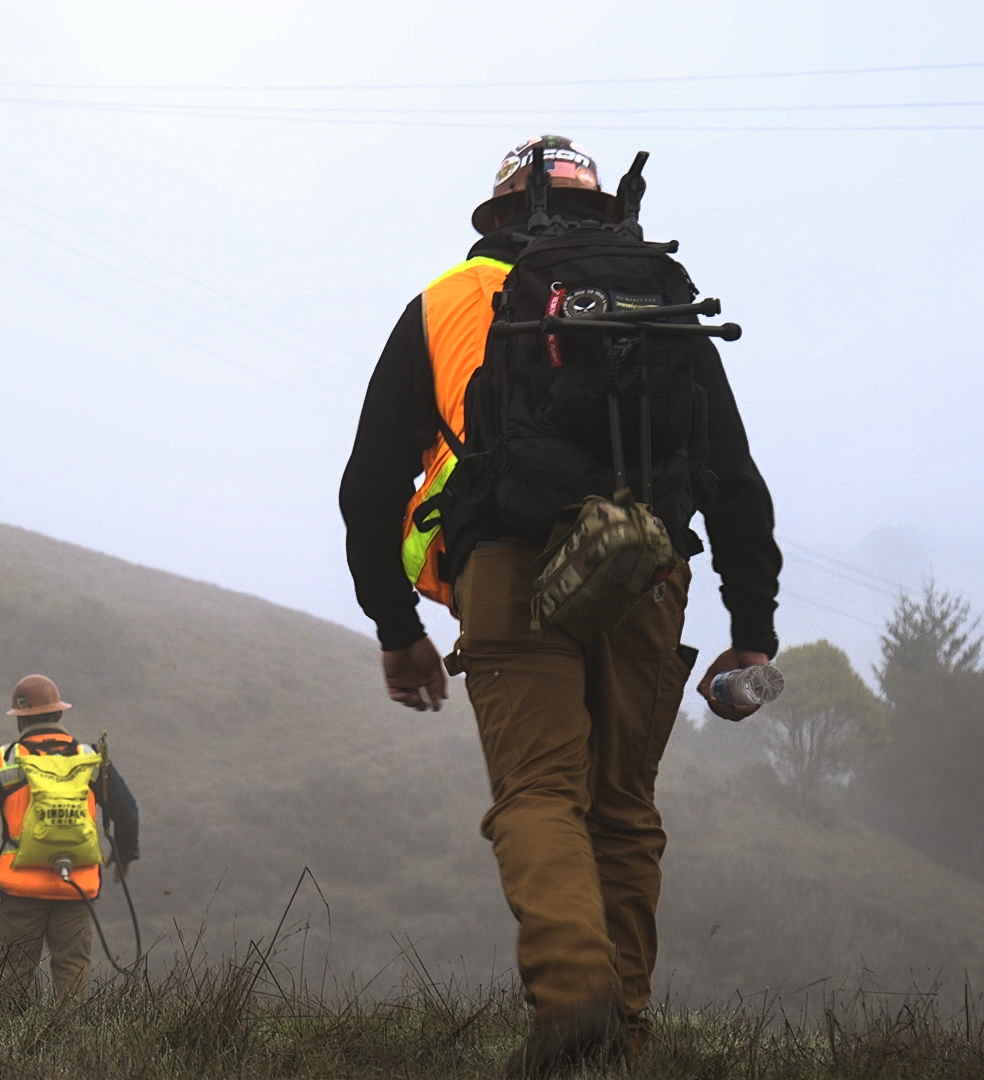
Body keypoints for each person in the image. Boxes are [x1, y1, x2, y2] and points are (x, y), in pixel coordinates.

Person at [338, 136, 781, 1073]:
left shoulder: (449, 302)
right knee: (621, 810)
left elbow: (370, 483)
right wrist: (751, 630)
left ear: (497, 217)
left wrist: (397, 628)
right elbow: (734, 475)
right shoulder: (662, 292)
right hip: (647, 571)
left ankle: (574, 996)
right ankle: (622, 1038)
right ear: (604, 212)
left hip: (507, 567)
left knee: (540, 793)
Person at [0, 674, 139, 1001]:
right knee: (73, 976)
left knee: (12, 978)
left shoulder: (3, 760)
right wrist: (123, 855)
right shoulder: (89, 755)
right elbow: (128, 811)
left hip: (20, 887)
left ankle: (11, 1049)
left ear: (19, 719)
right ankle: (70, 1048)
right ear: (59, 714)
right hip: (75, 886)